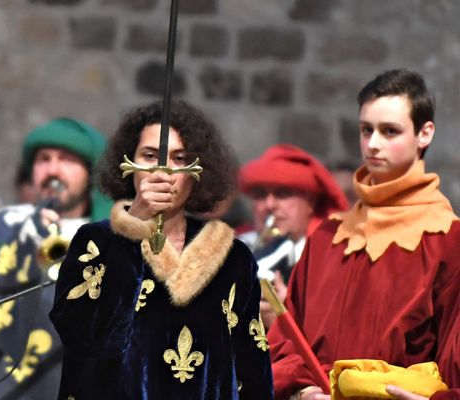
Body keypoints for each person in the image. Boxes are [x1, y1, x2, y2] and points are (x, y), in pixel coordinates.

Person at [49, 100, 274, 399]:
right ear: (129, 164)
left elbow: (252, 366)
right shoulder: (95, 243)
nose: (163, 170)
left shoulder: (234, 257)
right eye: (150, 155)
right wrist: (133, 228)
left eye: (179, 158)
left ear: (198, 170)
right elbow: (85, 339)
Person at [267, 69, 460, 399]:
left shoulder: (449, 242)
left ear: (425, 133)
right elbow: (285, 342)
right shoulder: (327, 237)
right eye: (366, 130)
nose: (373, 144)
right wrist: (302, 391)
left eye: (389, 131)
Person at [0, 117, 113, 400]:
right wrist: (26, 236)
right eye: (43, 159)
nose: (53, 170)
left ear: (91, 173)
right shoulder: (5, 222)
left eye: (67, 160)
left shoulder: (109, 236)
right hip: (5, 387)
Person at [238, 145, 348, 328]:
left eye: (282, 194)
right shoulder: (234, 246)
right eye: (260, 195)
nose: (270, 204)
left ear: (310, 202)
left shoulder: (329, 259)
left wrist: (284, 320)